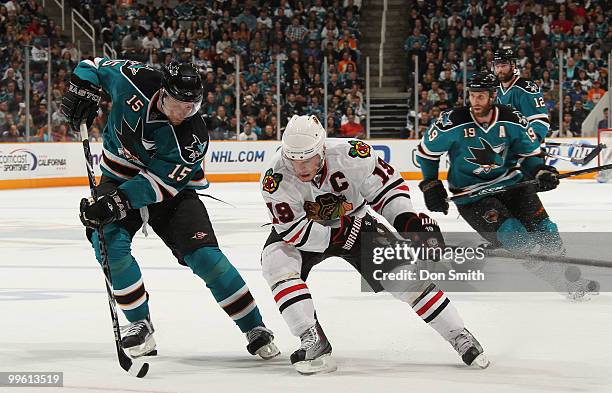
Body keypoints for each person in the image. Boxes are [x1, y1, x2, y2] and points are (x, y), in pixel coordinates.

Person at [60, 59, 279, 360]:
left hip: (173, 193)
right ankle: (139, 324)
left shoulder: (193, 137)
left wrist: (113, 204)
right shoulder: (133, 78)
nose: (182, 113)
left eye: (191, 106)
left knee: (205, 256)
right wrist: (82, 87)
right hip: (117, 177)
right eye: (177, 104)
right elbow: (93, 65)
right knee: (107, 244)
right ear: (162, 92)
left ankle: (255, 326)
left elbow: (159, 185)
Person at [259, 114, 489, 374]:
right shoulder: (275, 175)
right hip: (306, 232)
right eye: (294, 159)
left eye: (307, 158)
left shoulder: (353, 155)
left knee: (405, 278)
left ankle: (458, 334)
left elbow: (388, 190)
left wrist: (408, 223)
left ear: (322, 148)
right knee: (276, 264)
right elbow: (293, 230)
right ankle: (311, 338)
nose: (300, 167)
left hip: (356, 223)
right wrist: (339, 232)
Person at [416, 72, 598, 299]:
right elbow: (426, 153)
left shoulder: (512, 118)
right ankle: (561, 282)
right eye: (472, 96)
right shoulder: (452, 121)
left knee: (546, 231)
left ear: (493, 95)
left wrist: (540, 171)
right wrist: (431, 183)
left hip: (513, 185)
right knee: (514, 235)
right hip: (472, 195)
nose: (476, 101)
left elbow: (529, 154)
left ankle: (570, 275)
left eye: (481, 96)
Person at [493, 48, 550, 142]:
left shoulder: (526, 88)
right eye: (497, 66)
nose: (500, 70)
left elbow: (540, 121)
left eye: (503, 66)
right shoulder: (494, 89)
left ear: (513, 65)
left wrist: (531, 142)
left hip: (526, 149)